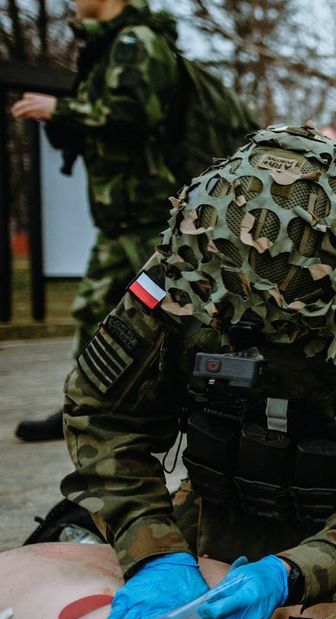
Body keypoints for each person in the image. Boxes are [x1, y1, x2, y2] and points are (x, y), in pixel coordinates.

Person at [60, 125, 336, 619]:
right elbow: (101, 416)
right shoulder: (185, 267)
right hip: (228, 502)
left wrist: (288, 575)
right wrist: (154, 554)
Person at [10, 0, 180, 442]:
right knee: (93, 311)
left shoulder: (136, 42)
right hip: (121, 217)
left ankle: (181, 411)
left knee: (175, 312)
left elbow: (138, 113)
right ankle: (83, 409)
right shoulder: (106, 48)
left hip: (152, 214)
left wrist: (61, 110)